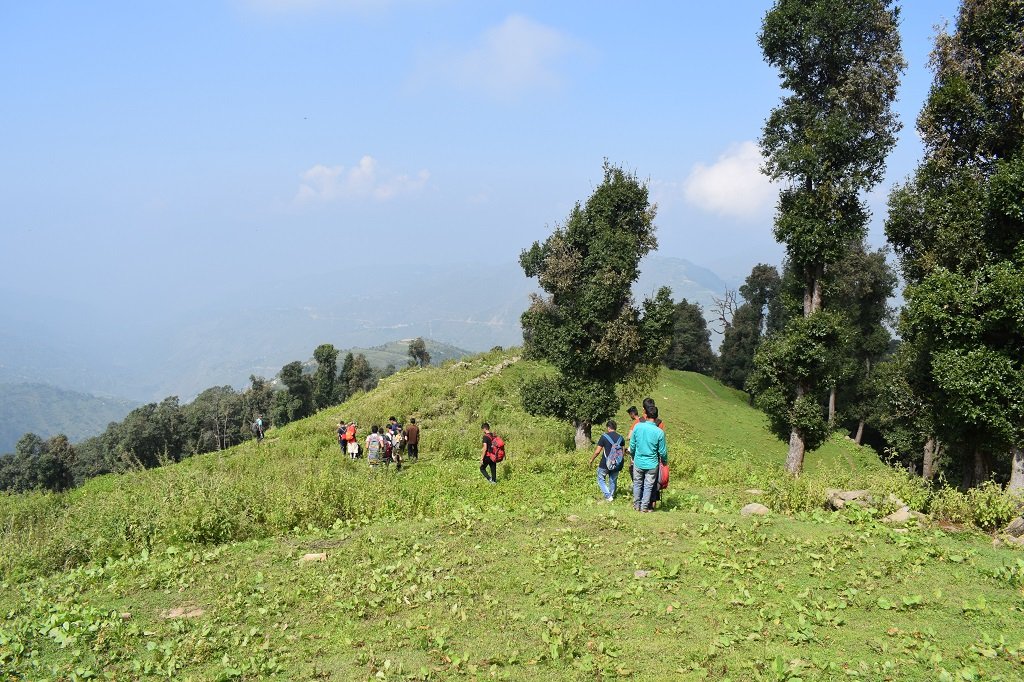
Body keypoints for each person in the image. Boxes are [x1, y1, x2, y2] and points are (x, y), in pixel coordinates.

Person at [631, 404, 667, 512]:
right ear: (656, 417)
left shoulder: (637, 427)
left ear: (645, 415)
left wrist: (633, 456)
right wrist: (664, 461)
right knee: (648, 485)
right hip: (652, 464)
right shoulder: (659, 432)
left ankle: (636, 505)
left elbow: (632, 445)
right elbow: (663, 451)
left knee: (637, 483)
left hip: (638, 461)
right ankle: (644, 507)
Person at [589, 420, 624, 502]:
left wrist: (591, 459)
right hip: (616, 463)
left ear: (608, 428)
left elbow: (597, 451)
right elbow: (622, 452)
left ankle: (608, 496)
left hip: (605, 463)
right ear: (615, 428)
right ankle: (611, 496)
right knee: (613, 480)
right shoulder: (621, 438)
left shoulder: (604, 437)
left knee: (601, 479)